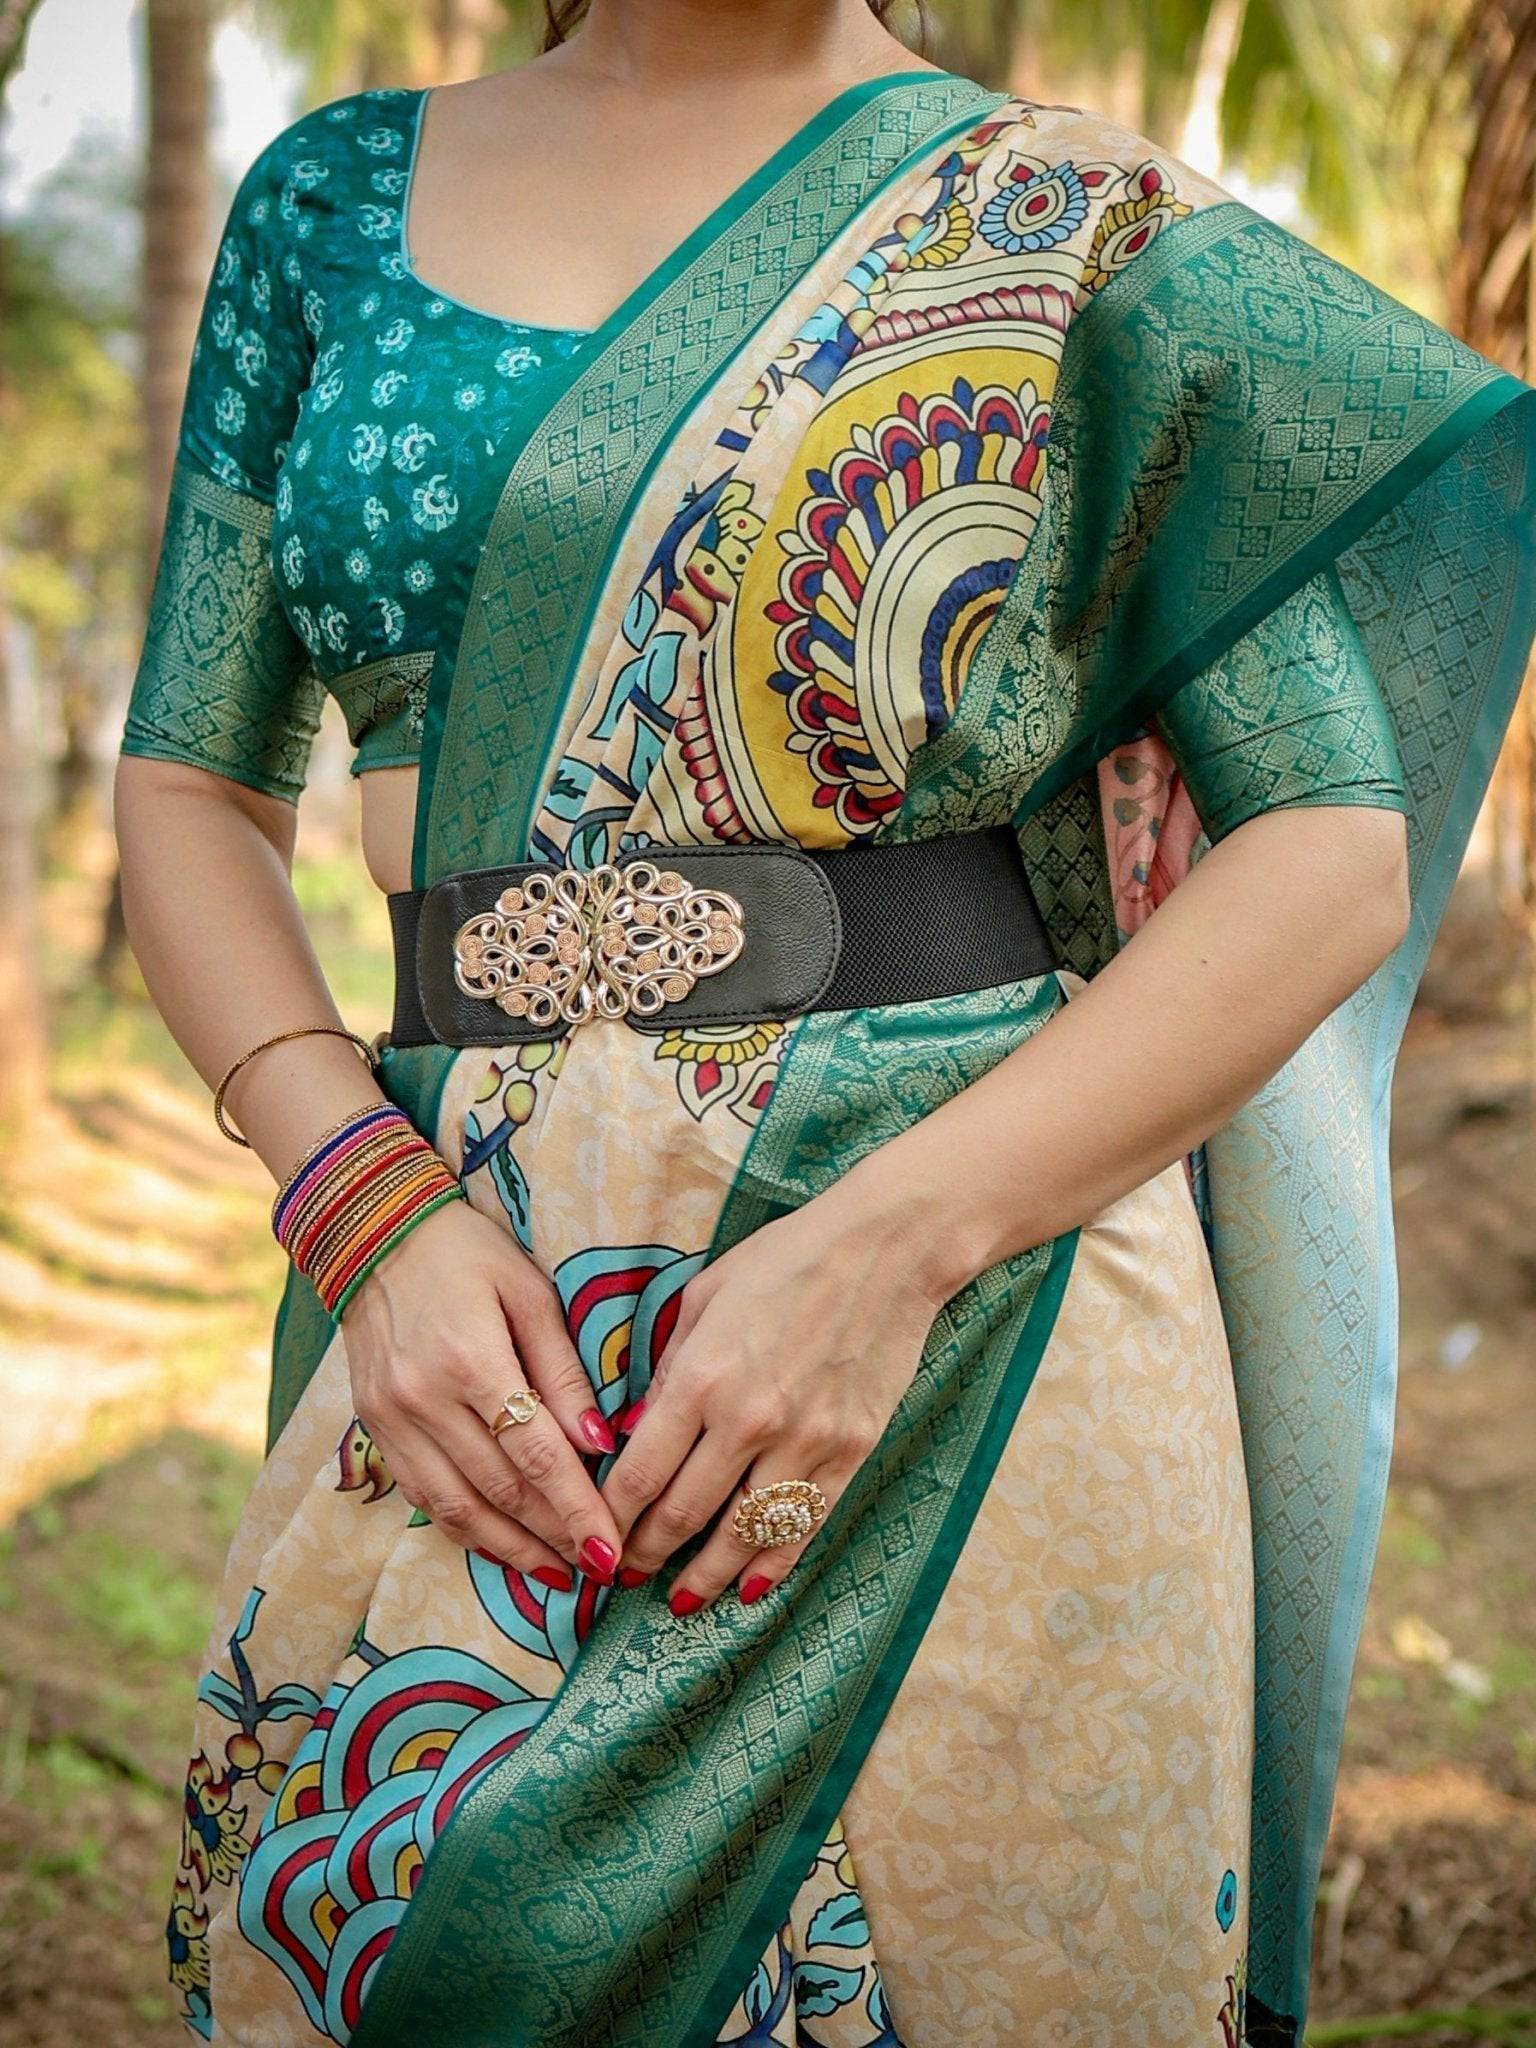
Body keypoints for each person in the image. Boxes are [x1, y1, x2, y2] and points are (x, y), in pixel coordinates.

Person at [116, 1, 1536, 2042]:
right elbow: (192, 783)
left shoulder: (1070, 228)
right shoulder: (331, 205)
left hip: (982, 1321)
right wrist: (364, 1207)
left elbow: (1327, 841)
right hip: (464, 1313)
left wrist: (892, 1251)